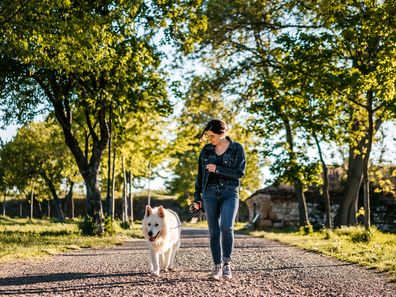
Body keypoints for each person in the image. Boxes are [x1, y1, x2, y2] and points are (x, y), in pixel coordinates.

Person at [193, 119, 246, 280]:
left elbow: (239, 172)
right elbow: (200, 175)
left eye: (212, 136)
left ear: (222, 133)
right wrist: (197, 197)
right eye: (208, 136)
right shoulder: (207, 150)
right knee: (214, 231)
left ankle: (227, 265)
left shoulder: (237, 148)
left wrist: (218, 169)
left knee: (226, 227)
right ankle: (217, 267)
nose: (210, 139)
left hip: (229, 193)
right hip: (209, 194)